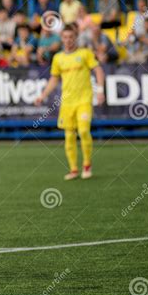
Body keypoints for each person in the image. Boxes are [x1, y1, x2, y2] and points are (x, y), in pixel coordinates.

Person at [35, 25, 105, 180]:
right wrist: (43, 95)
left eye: (71, 37)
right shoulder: (58, 58)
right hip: (67, 102)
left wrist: (100, 90)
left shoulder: (85, 53)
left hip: (84, 99)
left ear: (75, 37)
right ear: (62, 38)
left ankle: (87, 164)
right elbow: (54, 78)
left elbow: (98, 70)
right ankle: (73, 169)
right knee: (69, 136)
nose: (68, 40)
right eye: (65, 37)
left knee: (84, 131)